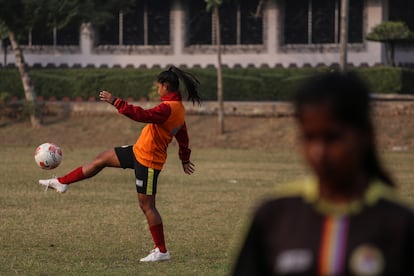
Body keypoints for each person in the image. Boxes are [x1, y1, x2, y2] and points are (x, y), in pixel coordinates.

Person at [232, 72, 414, 275]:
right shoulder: (274, 215)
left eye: (332, 138)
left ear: (366, 135)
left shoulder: (398, 223)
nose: (319, 153)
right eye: (309, 138)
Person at [39, 66, 201, 262]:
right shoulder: (178, 108)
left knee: (147, 207)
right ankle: (62, 182)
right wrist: (184, 158)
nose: (158, 90)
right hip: (138, 151)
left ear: (166, 86)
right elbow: (183, 136)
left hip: (149, 162)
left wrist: (116, 102)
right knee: (101, 159)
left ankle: (162, 251)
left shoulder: (168, 109)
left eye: (158, 86)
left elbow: (142, 115)